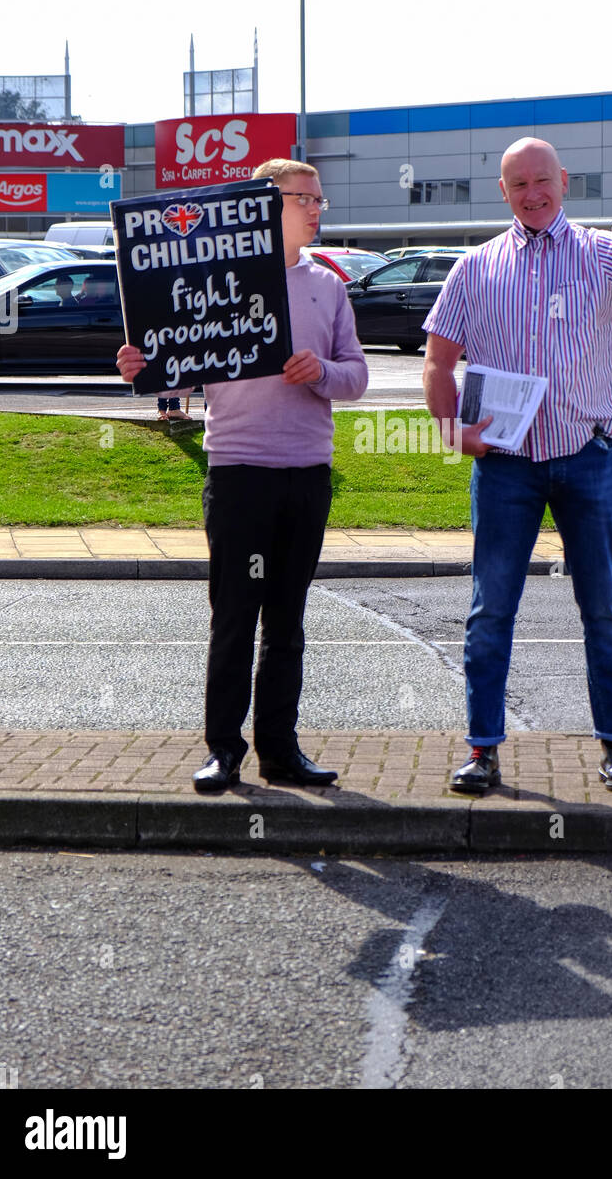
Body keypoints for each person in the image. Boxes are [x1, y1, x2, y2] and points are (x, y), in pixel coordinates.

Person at [422, 138, 612, 795]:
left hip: (588, 459)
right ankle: (482, 750)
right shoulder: (475, 267)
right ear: (503, 191)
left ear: (564, 182)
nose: (533, 193)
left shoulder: (604, 253)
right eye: (519, 183)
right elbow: (439, 362)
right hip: (505, 467)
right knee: (490, 611)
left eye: (542, 180)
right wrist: (451, 429)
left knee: (604, 610)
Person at [117, 158, 368, 792]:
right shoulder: (215, 280)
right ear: (263, 204)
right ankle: (222, 750)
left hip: (306, 474)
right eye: (302, 198)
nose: (315, 208)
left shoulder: (327, 287)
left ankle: (279, 751)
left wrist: (324, 374)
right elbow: (176, 370)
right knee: (234, 615)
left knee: (287, 620)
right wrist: (141, 365)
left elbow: (358, 377)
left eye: (320, 199)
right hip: (237, 474)